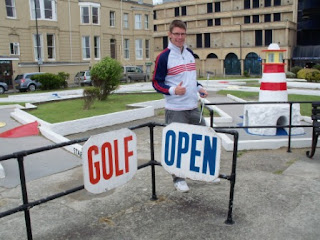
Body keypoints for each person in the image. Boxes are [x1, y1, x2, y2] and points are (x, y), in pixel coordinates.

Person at [152, 20, 208, 193]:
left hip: (192, 106)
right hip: (175, 109)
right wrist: (173, 90)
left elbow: (190, 77)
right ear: (170, 35)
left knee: (204, 138)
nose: (179, 37)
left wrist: (199, 87)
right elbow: (156, 82)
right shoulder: (164, 57)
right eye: (176, 34)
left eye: (182, 34)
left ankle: (198, 171)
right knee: (177, 145)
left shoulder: (190, 53)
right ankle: (178, 179)